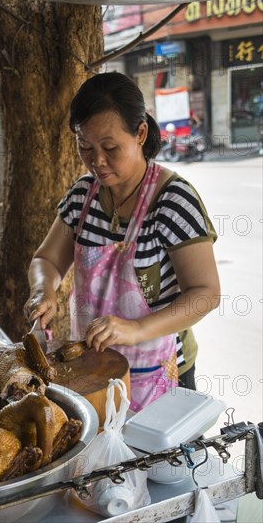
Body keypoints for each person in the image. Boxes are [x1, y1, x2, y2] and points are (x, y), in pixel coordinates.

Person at [24, 72, 220, 412]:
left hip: (162, 374)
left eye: (110, 148)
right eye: (85, 146)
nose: (97, 160)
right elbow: (49, 261)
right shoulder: (82, 197)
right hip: (92, 369)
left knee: (157, 462)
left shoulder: (173, 201)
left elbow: (205, 294)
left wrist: (136, 329)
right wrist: (44, 289)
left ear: (140, 133)